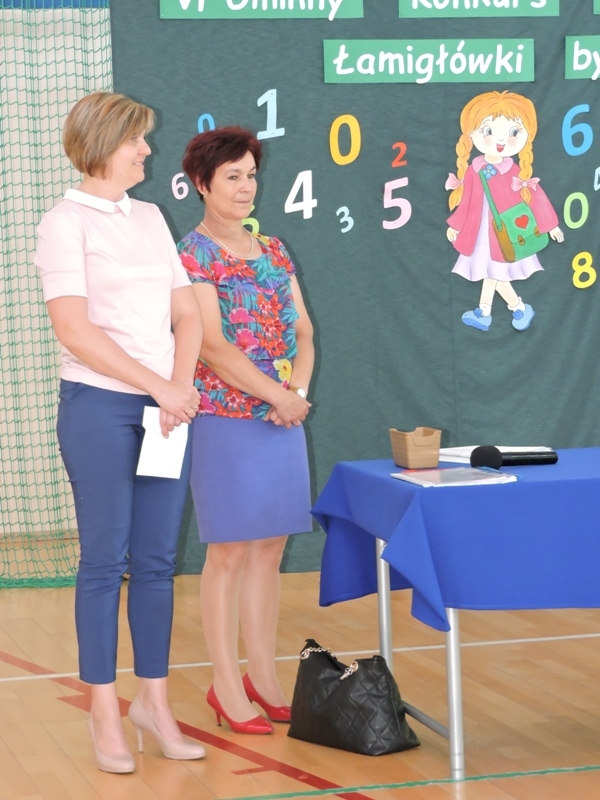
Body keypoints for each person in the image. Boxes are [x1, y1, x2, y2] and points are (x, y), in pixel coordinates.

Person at [34, 92, 206, 772]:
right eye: (137, 140)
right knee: (105, 561)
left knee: (157, 562)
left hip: (164, 411)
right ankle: (104, 710)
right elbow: (74, 329)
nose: (146, 150)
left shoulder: (152, 217)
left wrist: (178, 388)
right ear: (105, 142)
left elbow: (186, 314)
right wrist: (157, 387)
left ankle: (153, 705)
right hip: (99, 410)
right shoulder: (63, 224)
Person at [178, 126, 314, 735]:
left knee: (270, 548)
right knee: (229, 552)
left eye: (251, 175)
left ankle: (264, 677)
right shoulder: (193, 253)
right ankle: (226, 685)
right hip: (224, 419)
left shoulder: (275, 249)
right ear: (202, 184)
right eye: (232, 176)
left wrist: (296, 395)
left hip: (283, 417)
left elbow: (303, 331)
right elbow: (211, 345)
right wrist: (277, 396)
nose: (245, 187)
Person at [446, 90, 564, 332]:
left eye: (513, 132)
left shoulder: (516, 172)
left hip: (505, 233)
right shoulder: (473, 170)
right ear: (471, 134)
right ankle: (510, 309)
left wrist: (549, 224)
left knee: (494, 271)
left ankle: (497, 310)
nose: (500, 141)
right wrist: (456, 225)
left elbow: (533, 196)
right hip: (480, 231)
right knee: (492, 272)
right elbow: (466, 201)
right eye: (488, 131)